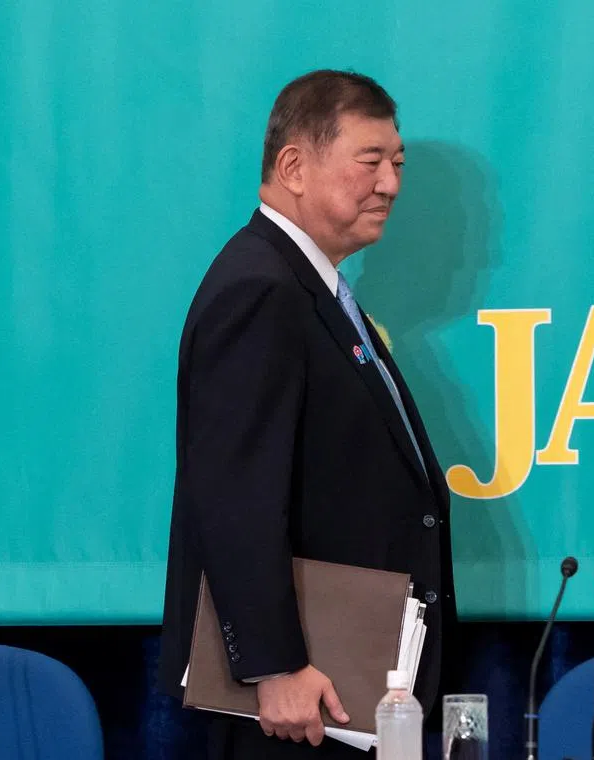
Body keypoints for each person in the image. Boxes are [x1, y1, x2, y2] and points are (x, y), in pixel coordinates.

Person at [156, 69, 456, 759]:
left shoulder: (306, 286)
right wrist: (274, 665)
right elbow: (233, 495)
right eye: (371, 161)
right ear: (293, 165)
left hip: (349, 691)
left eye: (399, 164)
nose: (391, 184)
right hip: (299, 702)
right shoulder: (260, 290)